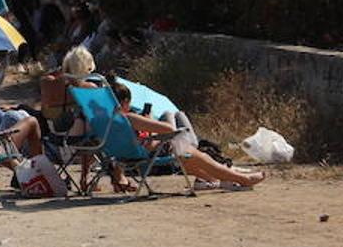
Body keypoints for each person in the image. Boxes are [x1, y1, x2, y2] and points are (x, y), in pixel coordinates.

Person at [108, 81, 265, 190]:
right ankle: (241, 179)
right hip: (151, 154)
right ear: (124, 102)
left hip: (131, 157)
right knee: (191, 152)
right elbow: (167, 130)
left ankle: (224, 178)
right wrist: (148, 123)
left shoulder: (104, 122)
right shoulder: (129, 118)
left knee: (190, 156)